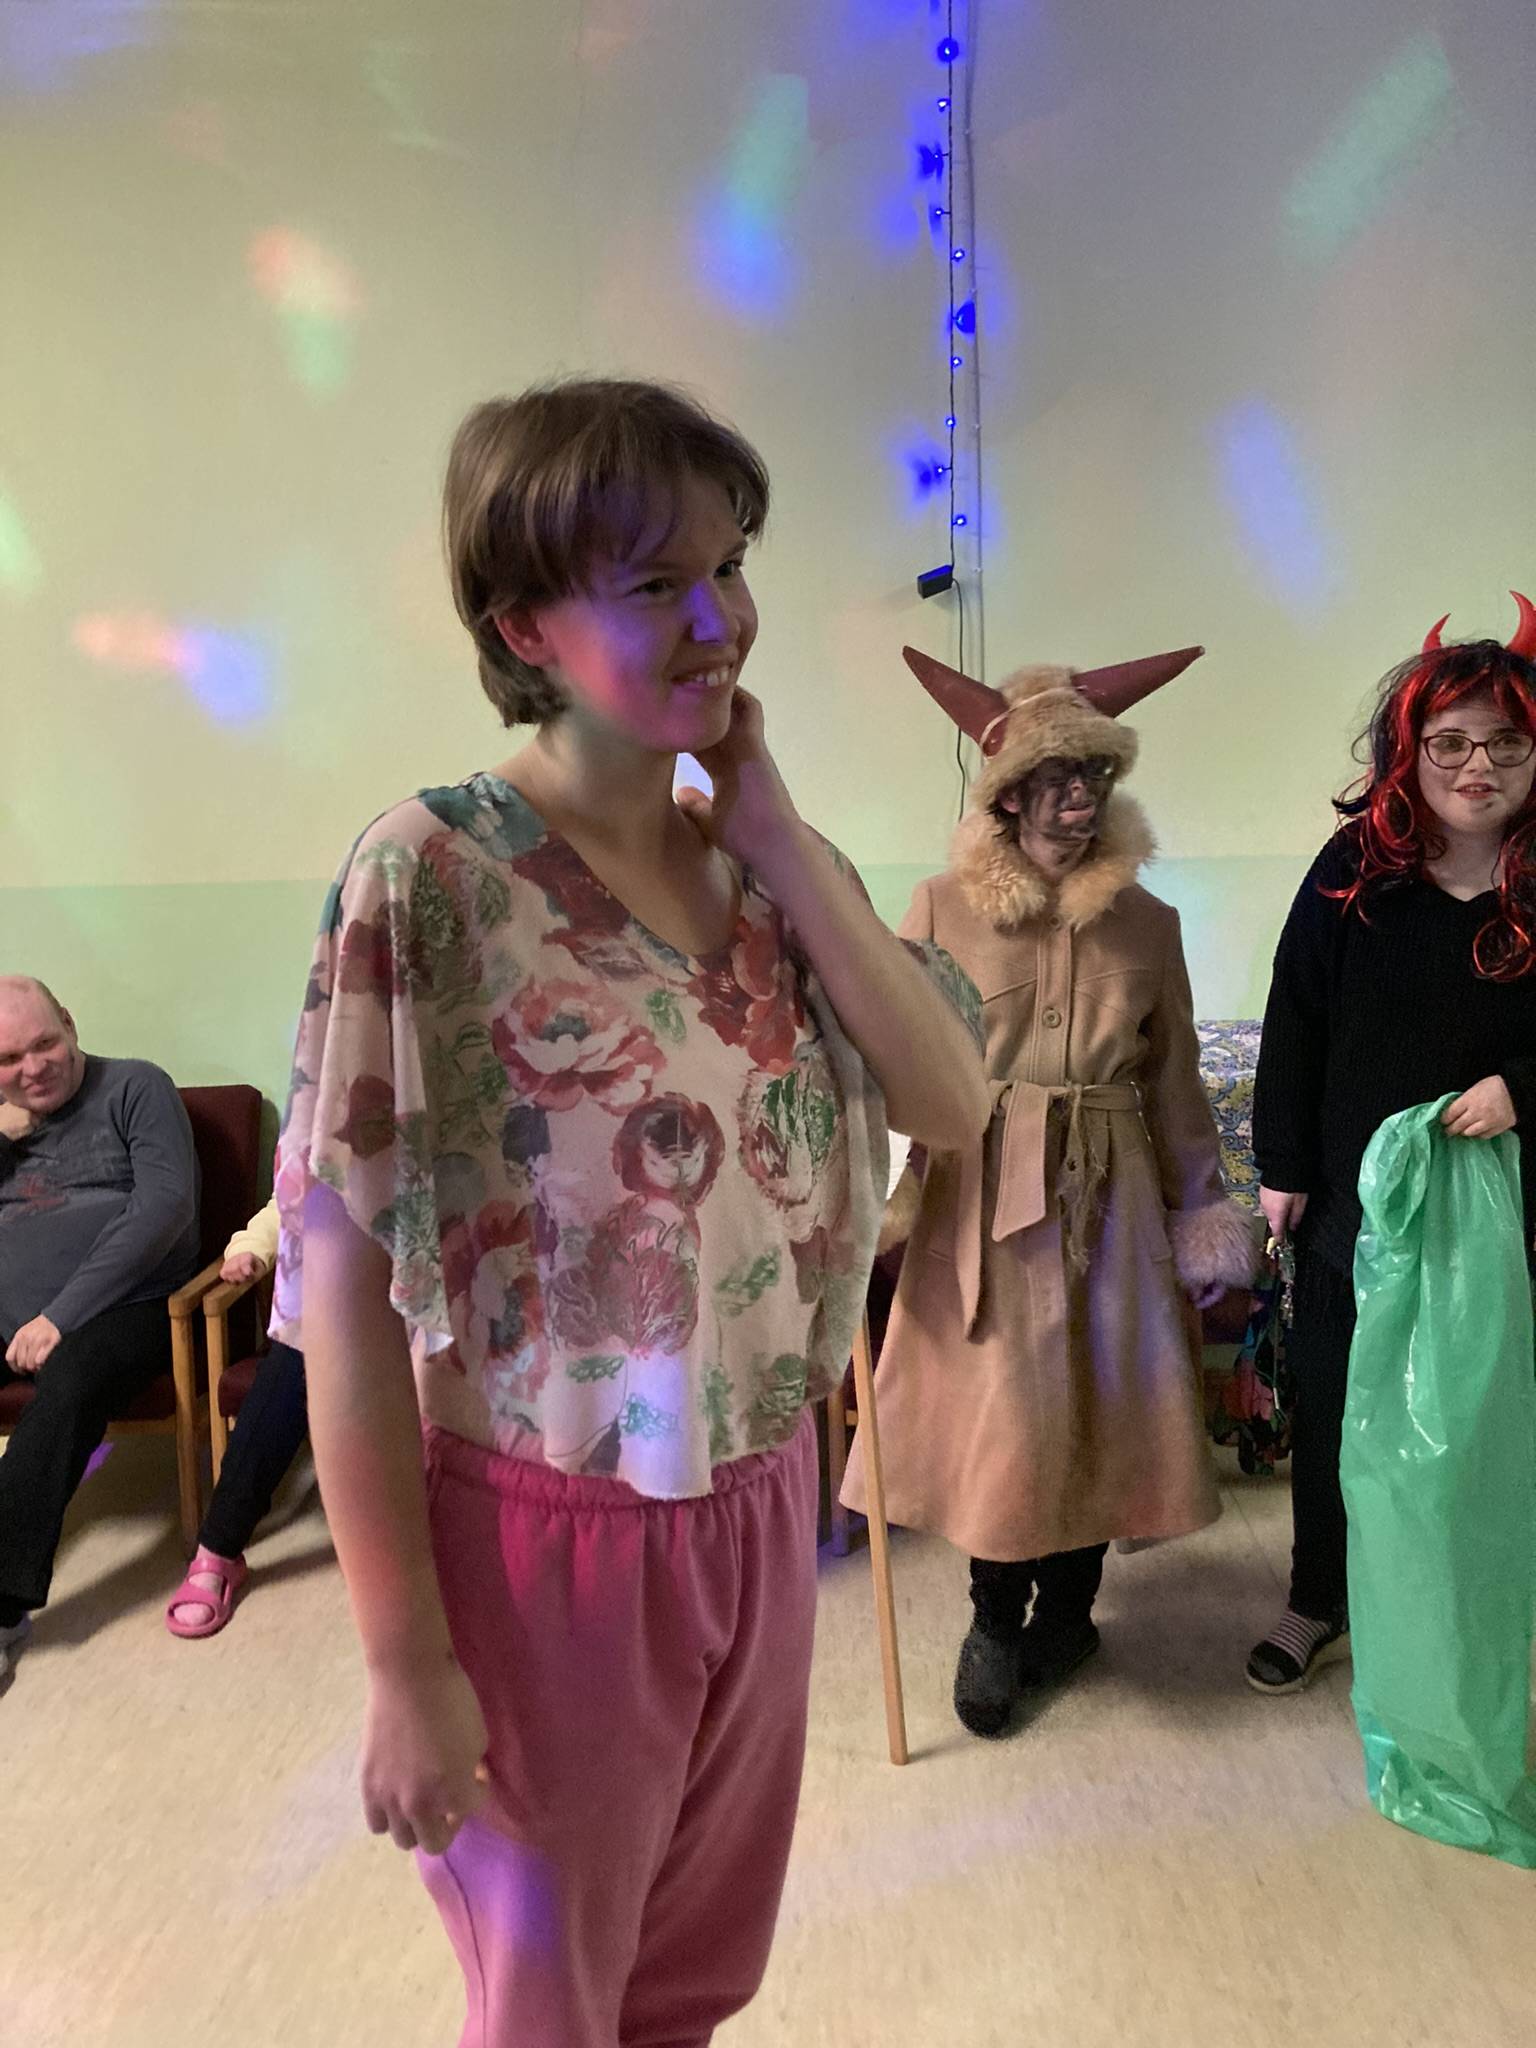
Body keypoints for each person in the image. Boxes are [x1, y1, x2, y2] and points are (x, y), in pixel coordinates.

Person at [272, 378, 988, 2046]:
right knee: (552, 1999)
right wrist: (401, 1661)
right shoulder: (429, 876)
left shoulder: (765, 867)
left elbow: (952, 1104)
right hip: (552, 1532)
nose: (719, 620)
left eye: (729, 566)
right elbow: (343, 1293)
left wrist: (779, 840)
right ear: (523, 623)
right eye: (656, 582)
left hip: (763, 1494)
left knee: (689, 1979)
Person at [842, 645, 1256, 1738]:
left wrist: (1202, 1213)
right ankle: (994, 1618)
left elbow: (1176, 1086)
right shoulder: (940, 907)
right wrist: (873, 1187)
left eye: (1096, 775)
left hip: (1112, 1198)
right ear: (1010, 792)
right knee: (1005, 1416)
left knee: (1100, 1405)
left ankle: (1068, 1616)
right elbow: (892, 1059)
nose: (1080, 797)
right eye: (1057, 776)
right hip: (981, 1195)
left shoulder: (1150, 923)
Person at [1248, 595, 1536, 1694]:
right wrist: (1282, 1168)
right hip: (1356, 1213)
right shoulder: (1352, 869)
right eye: (1450, 742)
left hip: (1513, 1217)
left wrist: (1522, 1089)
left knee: (1487, 1415)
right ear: (1409, 753)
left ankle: (1473, 1597)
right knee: (1337, 1400)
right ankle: (1317, 1594)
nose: (1477, 765)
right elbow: (1295, 1019)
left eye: (1505, 742)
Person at [0, 976, 200, 1678]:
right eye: (9, 1059)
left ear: (70, 1024)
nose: (33, 1068)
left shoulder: (136, 1087)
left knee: (73, 1381)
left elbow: (166, 1209)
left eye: (44, 1043)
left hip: (128, 1307)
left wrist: (61, 1315)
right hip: (13, 1314)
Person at [163, 1195, 311, 1638]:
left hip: (426, 1297)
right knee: (291, 1362)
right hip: (337, 1305)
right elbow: (290, 1200)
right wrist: (249, 1249)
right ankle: (218, 1550)